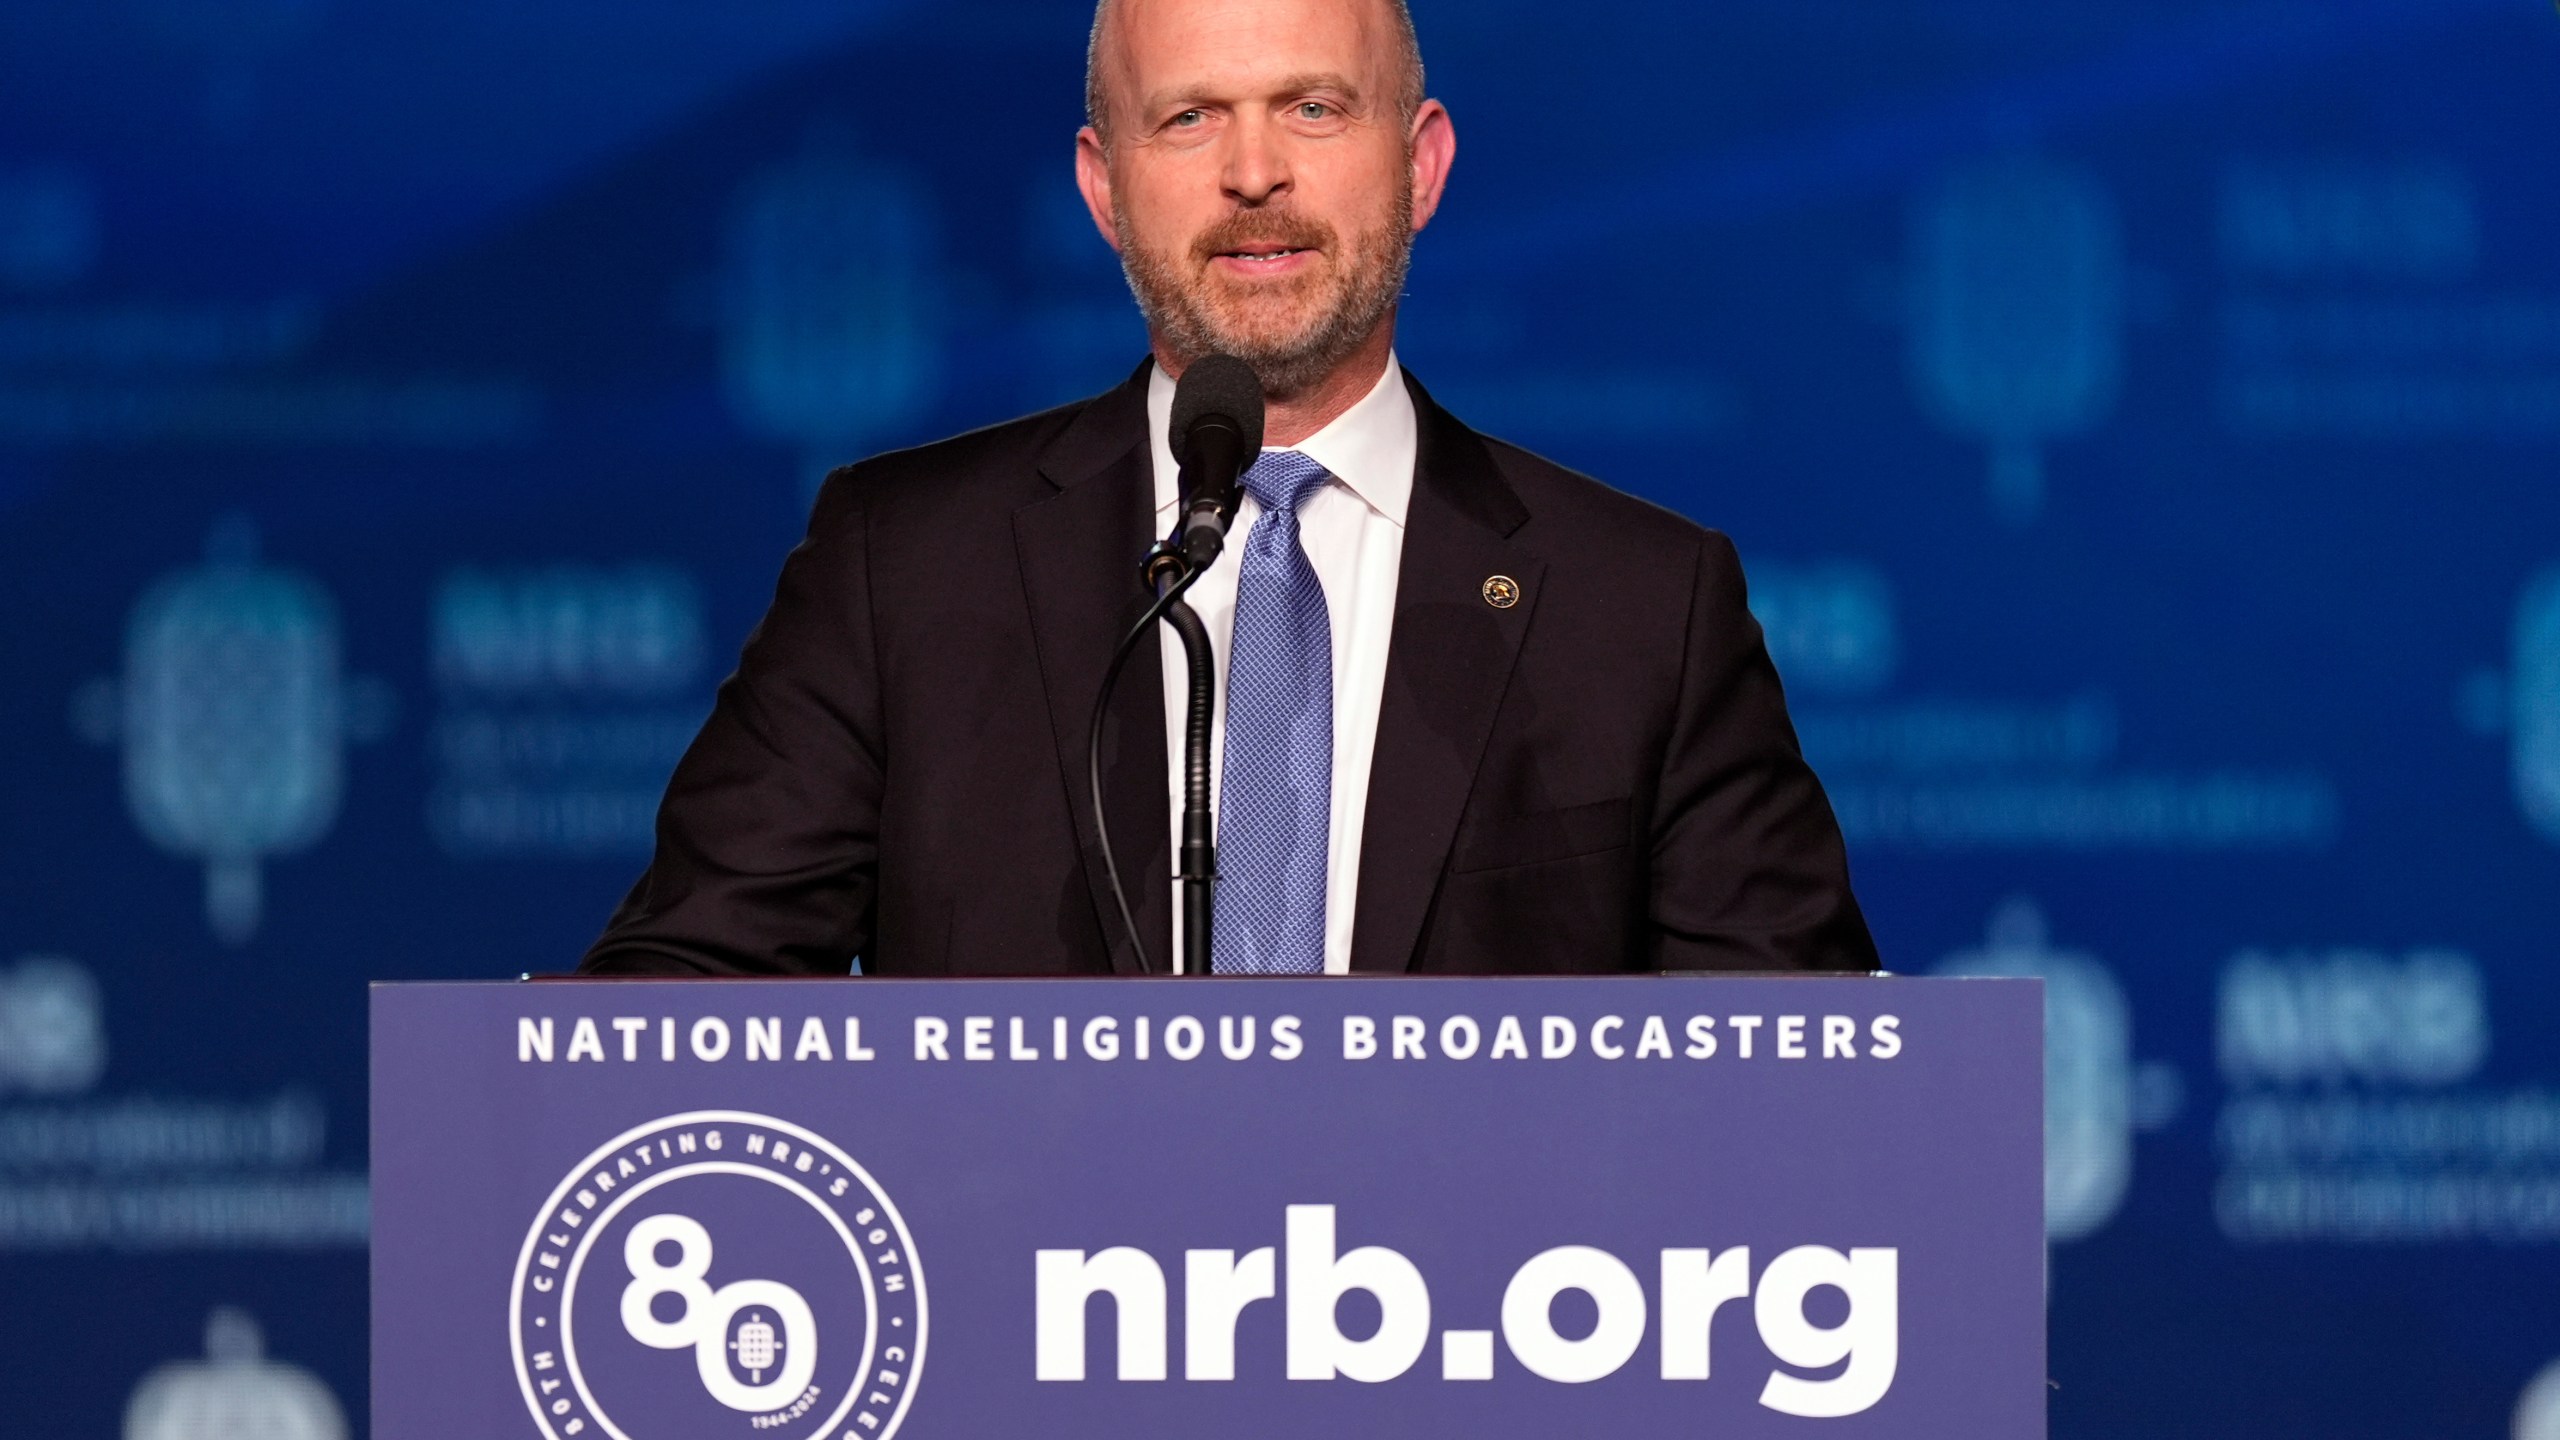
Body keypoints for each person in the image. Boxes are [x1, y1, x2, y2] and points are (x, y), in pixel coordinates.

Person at [578, 0, 1876, 978]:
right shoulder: (902, 567)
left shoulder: (1640, 607)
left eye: (1314, 107)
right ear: (1103, 186)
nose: (1253, 171)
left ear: (1420, 166)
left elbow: (1810, 1083)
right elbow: (686, 996)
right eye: (1189, 117)